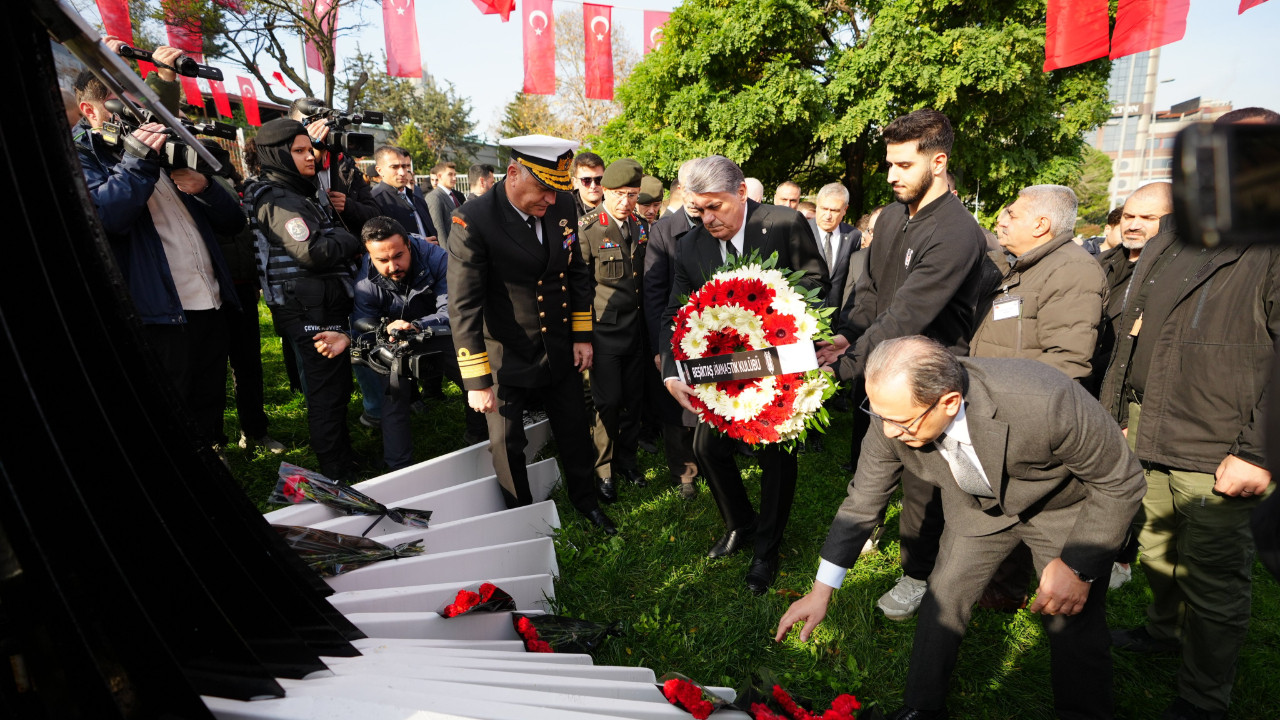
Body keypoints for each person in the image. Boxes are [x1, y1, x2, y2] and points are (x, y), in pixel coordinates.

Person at [777, 337, 1144, 720]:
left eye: (901, 423)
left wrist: (1078, 568)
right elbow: (862, 501)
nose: (888, 433)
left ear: (949, 402)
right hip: (976, 509)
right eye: (878, 415)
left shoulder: (1045, 398)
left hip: (1060, 507)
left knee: (1069, 616)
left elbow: (1121, 480)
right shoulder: (892, 412)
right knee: (944, 595)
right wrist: (821, 590)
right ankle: (922, 708)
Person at [1099, 107, 1280, 720]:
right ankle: (1164, 630)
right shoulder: (1177, 232)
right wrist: (1119, 410)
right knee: (1155, 547)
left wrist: (1257, 452)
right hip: (1149, 423)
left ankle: (1204, 698)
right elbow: (1134, 328)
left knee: (1213, 577)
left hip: (1222, 443)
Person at [817, 108, 989, 621]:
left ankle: (917, 574)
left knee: (923, 486)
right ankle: (866, 528)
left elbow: (908, 315)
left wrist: (843, 367)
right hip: (879, 365)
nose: (891, 175)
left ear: (938, 163)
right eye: (889, 163)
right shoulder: (892, 217)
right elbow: (872, 294)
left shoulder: (958, 232)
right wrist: (845, 337)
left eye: (904, 165)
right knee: (870, 463)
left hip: (928, 379)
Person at [660, 155, 828, 594]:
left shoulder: (784, 224)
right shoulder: (690, 246)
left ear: (740, 192)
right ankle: (740, 521)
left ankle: (766, 550)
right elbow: (674, 310)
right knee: (707, 447)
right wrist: (671, 371)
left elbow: (817, 280)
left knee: (776, 455)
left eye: (715, 207)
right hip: (722, 371)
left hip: (779, 366)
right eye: (699, 210)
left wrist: (777, 308)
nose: (707, 219)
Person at [446, 135, 617, 534]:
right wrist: (477, 380)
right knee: (507, 445)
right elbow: (464, 305)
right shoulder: (473, 221)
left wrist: (580, 335)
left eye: (557, 190)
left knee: (574, 428)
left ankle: (586, 502)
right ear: (513, 174)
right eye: (543, 189)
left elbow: (575, 272)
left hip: (557, 344)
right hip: (504, 352)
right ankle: (522, 519)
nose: (551, 200)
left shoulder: (561, 206)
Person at [73, 63, 243, 451]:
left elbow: (233, 222)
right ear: (90, 110)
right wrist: (137, 159)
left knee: (209, 399)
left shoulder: (167, 151)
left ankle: (213, 460)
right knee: (168, 408)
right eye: (122, 105)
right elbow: (107, 217)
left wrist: (206, 188)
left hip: (210, 301)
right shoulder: (85, 156)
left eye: (138, 104)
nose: (136, 115)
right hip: (158, 313)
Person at [968, 184, 1107, 610]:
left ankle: (1045, 592)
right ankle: (1004, 585)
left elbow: (1067, 361)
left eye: (1012, 213)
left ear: (1041, 224)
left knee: (1032, 507)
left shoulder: (1073, 271)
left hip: (1026, 416)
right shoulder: (1026, 265)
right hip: (998, 407)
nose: (1001, 220)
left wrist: (1016, 409)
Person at [249, 118, 363, 482]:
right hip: (306, 308)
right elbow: (312, 251)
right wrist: (351, 238)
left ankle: (342, 458)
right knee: (326, 391)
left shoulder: (297, 192)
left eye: (308, 149)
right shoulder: (276, 198)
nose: (309, 157)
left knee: (336, 387)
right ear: (277, 155)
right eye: (298, 151)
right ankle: (336, 471)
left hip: (320, 303)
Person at [336, 217, 488, 470]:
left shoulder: (438, 259)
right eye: (382, 260)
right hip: (395, 339)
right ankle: (398, 466)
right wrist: (377, 332)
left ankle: (480, 439)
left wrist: (417, 326)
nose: (393, 266)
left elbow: (454, 309)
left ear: (409, 244)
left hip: (442, 332)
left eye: (398, 256)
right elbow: (363, 323)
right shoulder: (365, 282)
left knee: (473, 379)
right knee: (393, 395)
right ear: (369, 255)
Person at [578, 159, 650, 503]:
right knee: (607, 403)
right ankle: (603, 468)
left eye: (632, 194)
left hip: (636, 330)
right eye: (619, 194)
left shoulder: (640, 225)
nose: (626, 201)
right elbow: (579, 287)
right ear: (605, 191)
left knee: (634, 401)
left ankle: (627, 461)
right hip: (603, 332)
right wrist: (583, 337)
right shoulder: (589, 228)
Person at [644, 161, 702, 499]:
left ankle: (709, 457)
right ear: (680, 189)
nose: (694, 198)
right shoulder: (664, 230)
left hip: (712, 329)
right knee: (676, 406)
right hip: (674, 331)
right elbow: (654, 293)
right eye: (689, 190)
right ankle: (684, 473)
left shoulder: (716, 224)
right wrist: (660, 347)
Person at [1091, 184, 1169, 395]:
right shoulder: (1100, 262)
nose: (1134, 225)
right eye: (1128, 216)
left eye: (1148, 218)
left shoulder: (1175, 273)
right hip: (1085, 385)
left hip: (1128, 393)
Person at [288, 97, 379, 234]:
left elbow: (375, 214)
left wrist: (348, 206)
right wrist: (315, 154)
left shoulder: (347, 165)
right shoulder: (286, 165)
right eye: (309, 123)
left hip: (348, 242)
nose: (318, 129)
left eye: (322, 122)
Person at [370, 146, 438, 242]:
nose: (402, 172)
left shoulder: (416, 198)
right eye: (394, 167)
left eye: (404, 166)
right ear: (379, 170)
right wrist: (418, 244)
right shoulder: (375, 200)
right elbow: (380, 240)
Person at [426, 161, 467, 244]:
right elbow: (438, 229)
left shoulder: (454, 195)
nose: (454, 178)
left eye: (455, 175)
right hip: (449, 248)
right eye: (450, 174)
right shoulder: (434, 197)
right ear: (439, 176)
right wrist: (445, 251)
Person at [571, 151, 606, 215]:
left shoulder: (616, 206)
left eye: (598, 179)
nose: (593, 186)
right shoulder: (566, 210)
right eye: (586, 180)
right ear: (575, 182)